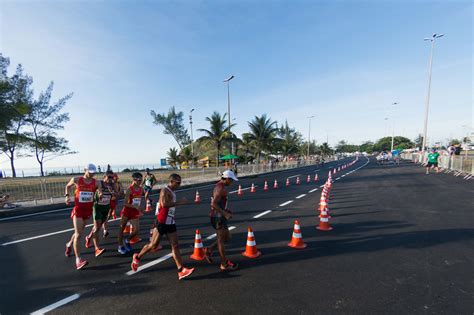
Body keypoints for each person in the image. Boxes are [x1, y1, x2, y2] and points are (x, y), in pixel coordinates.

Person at [131, 174, 194, 280]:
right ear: (172, 181)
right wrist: (179, 202)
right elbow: (164, 204)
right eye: (178, 183)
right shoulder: (164, 190)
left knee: (175, 245)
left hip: (170, 221)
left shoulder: (172, 191)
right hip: (162, 221)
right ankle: (137, 257)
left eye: (180, 182)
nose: (179, 184)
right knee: (153, 245)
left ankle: (181, 270)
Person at [64, 163, 102, 270]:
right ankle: (78, 260)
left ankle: (68, 244)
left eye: (93, 173)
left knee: (79, 232)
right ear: (85, 170)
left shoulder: (97, 182)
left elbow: (100, 192)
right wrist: (67, 196)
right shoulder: (76, 179)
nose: (92, 175)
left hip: (88, 210)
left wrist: (100, 194)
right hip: (78, 210)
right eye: (90, 172)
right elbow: (67, 186)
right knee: (78, 234)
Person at [205, 170, 239, 271]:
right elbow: (213, 204)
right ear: (227, 179)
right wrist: (225, 214)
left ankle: (209, 250)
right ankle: (224, 264)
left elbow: (218, 203)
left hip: (220, 215)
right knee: (221, 241)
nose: (232, 182)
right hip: (217, 217)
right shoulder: (220, 188)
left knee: (227, 237)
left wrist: (226, 210)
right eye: (231, 180)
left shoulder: (220, 186)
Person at [85, 171, 118, 256]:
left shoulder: (113, 184)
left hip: (106, 207)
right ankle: (97, 249)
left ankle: (88, 237)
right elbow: (91, 190)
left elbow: (116, 195)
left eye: (112, 177)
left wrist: (112, 192)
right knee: (97, 228)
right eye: (109, 177)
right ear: (104, 176)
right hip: (97, 207)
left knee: (99, 226)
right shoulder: (99, 183)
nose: (111, 179)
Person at [118, 172, 144, 254]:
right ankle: (120, 246)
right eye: (139, 180)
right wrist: (134, 206)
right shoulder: (130, 189)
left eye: (141, 180)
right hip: (127, 211)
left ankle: (127, 240)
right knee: (121, 230)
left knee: (137, 230)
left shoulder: (141, 189)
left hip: (134, 212)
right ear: (134, 180)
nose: (140, 181)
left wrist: (139, 208)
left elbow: (138, 200)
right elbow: (124, 203)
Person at [103, 172, 123, 237]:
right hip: (106, 201)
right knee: (105, 217)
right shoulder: (105, 184)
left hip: (114, 201)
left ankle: (105, 223)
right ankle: (105, 230)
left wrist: (116, 192)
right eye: (114, 178)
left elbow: (120, 192)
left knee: (108, 215)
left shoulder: (117, 184)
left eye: (116, 178)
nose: (116, 179)